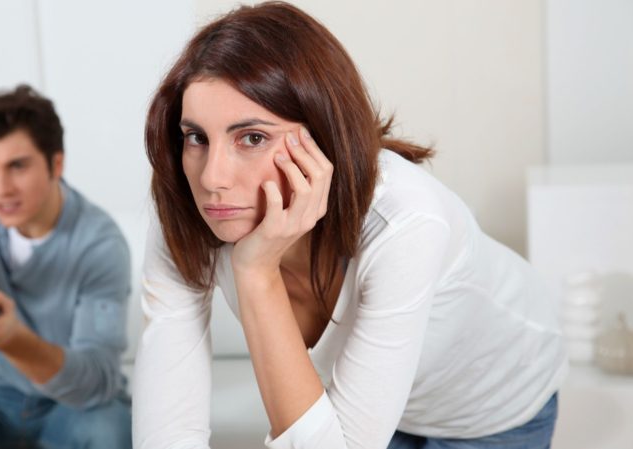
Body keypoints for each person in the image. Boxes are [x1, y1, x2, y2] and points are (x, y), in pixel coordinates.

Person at [132, 3, 566, 449]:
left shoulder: (407, 221)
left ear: (322, 135)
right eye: (196, 138)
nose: (212, 178)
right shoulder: (190, 208)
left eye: (253, 137)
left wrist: (256, 273)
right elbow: (168, 430)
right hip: (355, 411)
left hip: (490, 412)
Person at [0, 85, 132, 449]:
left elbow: (96, 382)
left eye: (17, 166)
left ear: (56, 163)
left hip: (71, 405)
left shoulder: (101, 244)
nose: (0, 188)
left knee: (111, 434)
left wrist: (14, 342)